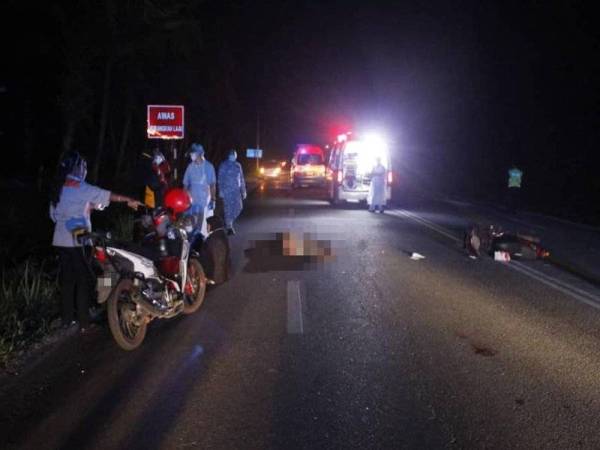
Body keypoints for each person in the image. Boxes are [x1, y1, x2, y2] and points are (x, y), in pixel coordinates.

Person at [49, 151, 143, 333]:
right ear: (79, 168)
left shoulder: (59, 187)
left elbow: (54, 215)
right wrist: (129, 200)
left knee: (68, 280)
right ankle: (85, 321)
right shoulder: (80, 186)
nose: (85, 171)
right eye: (84, 167)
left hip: (60, 237)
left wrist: (84, 210)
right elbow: (108, 196)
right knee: (85, 279)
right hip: (77, 238)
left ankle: (67, 319)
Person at [183, 143, 217, 233]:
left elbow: (213, 184)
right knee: (189, 227)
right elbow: (185, 184)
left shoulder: (209, 167)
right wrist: (184, 198)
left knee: (204, 229)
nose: (191, 155)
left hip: (205, 202)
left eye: (192, 153)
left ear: (199, 154)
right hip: (192, 202)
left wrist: (213, 200)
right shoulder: (190, 167)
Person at [217, 149, 247, 235]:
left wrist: (243, 191)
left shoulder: (238, 165)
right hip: (227, 191)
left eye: (234, 155)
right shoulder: (223, 165)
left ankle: (229, 221)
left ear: (236, 156)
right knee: (228, 209)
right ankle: (229, 226)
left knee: (239, 207)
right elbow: (220, 179)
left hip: (236, 191)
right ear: (228, 156)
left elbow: (241, 178)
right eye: (231, 155)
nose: (232, 157)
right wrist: (221, 190)